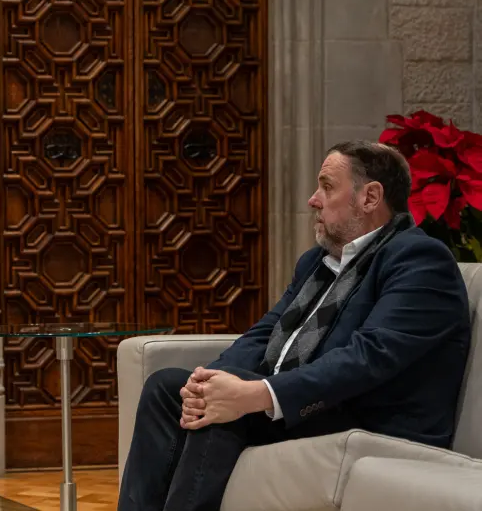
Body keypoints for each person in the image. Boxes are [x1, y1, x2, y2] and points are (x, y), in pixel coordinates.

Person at [118, 141, 472, 511]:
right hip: (317, 407)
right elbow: (264, 333)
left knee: (227, 411)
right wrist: (209, 382)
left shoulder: (419, 259)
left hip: (370, 421)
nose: (313, 200)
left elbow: (368, 357)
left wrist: (256, 394)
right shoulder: (317, 261)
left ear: (370, 197)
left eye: (327, 187)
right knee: (166, 389)